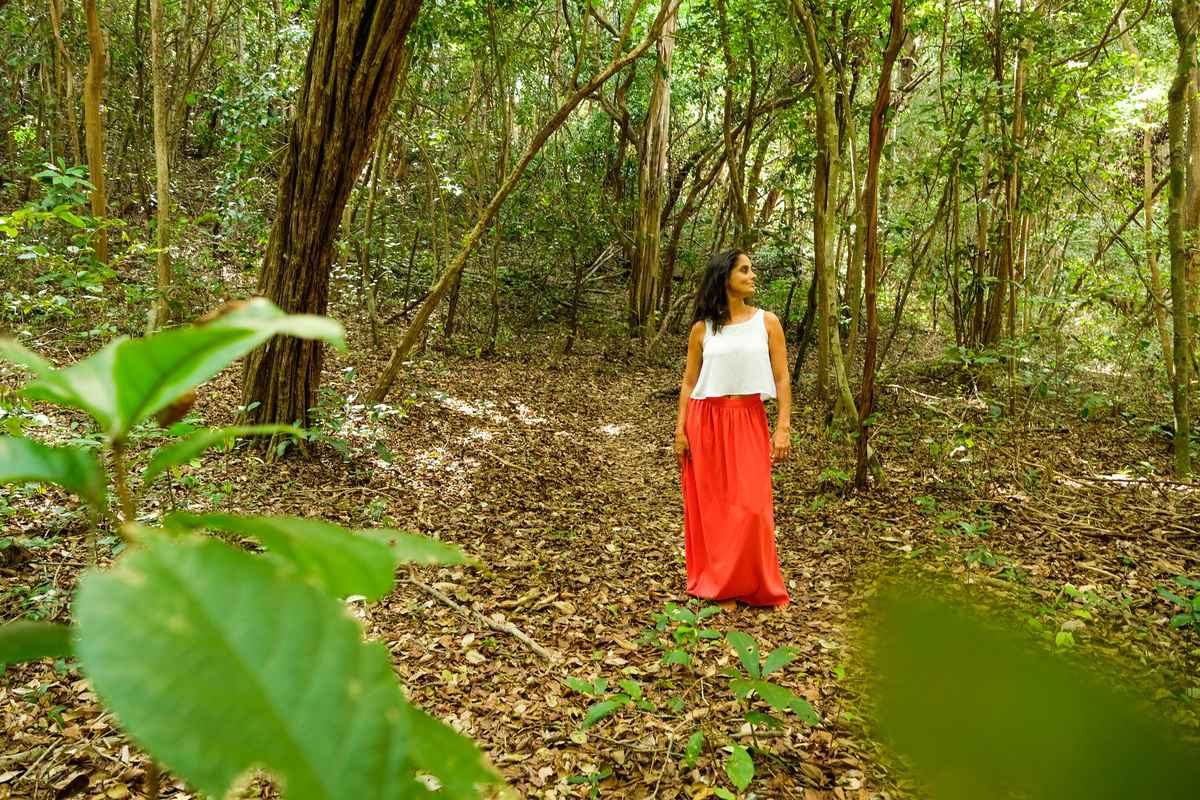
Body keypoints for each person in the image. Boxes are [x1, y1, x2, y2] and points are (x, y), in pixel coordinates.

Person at [674, 250, 791, 608]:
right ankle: (720, 585)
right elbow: (689, 381)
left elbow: (782, 378)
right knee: (713, 506)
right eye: (744, 270)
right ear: (725, 277)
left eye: (751, 269)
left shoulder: (767, 322)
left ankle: (756, 584)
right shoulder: (703, 328)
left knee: (753, 507)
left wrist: (783, 427)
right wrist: (680, 431)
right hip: (705, 418)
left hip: (748, 417)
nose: (752, 275)